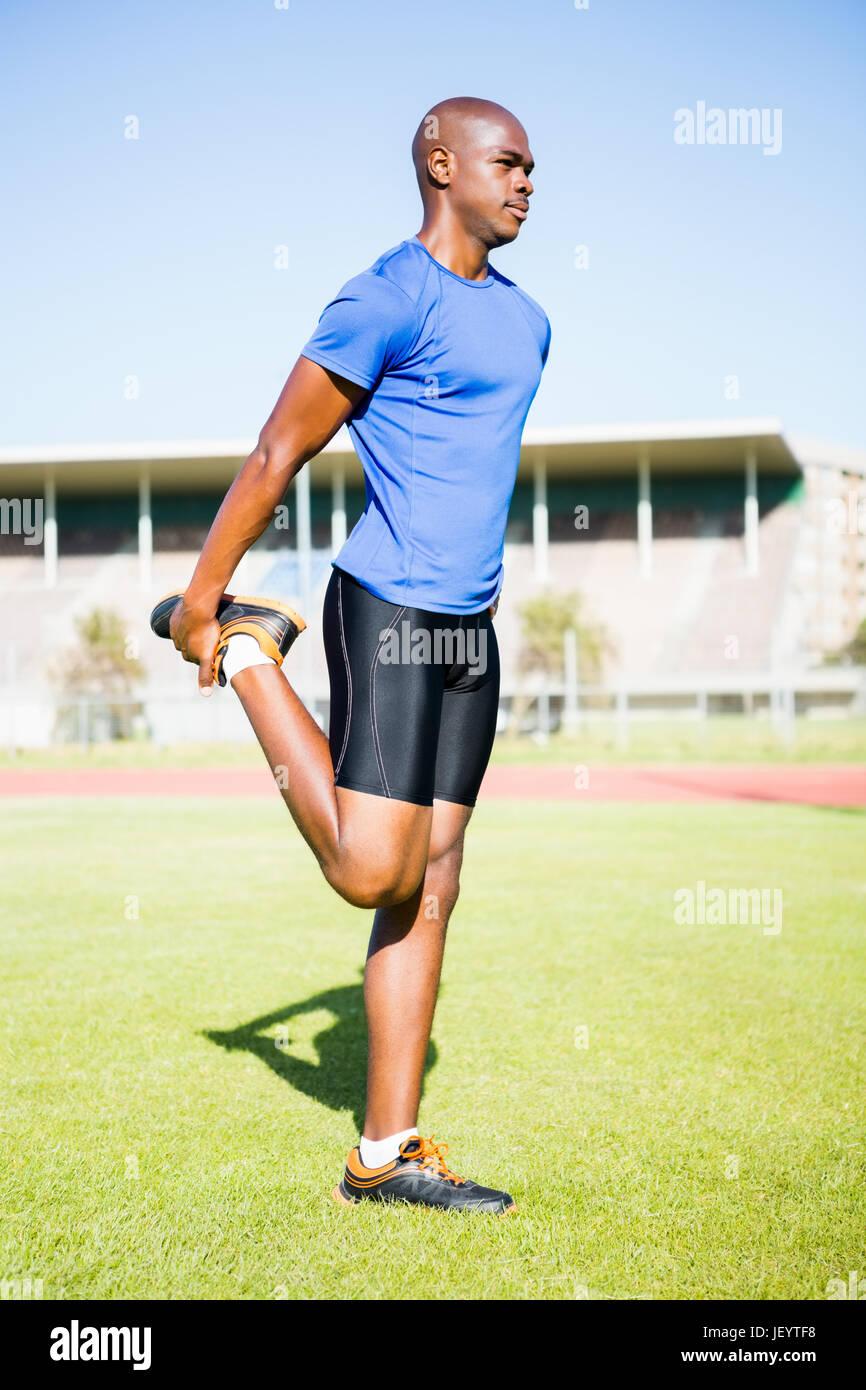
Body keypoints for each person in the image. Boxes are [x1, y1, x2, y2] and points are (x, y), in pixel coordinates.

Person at [152, 95, 550, 1214]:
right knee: (368, 869)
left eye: (532, 169)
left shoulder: (527, 321)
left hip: (471, 627)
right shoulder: (384, 295)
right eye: (507, 163)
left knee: (432, 881)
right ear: (440, 163)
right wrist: (196, 598)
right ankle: (246, 651)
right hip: (386, 608)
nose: (526, 182)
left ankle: (383, 1151)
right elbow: (280, 446)